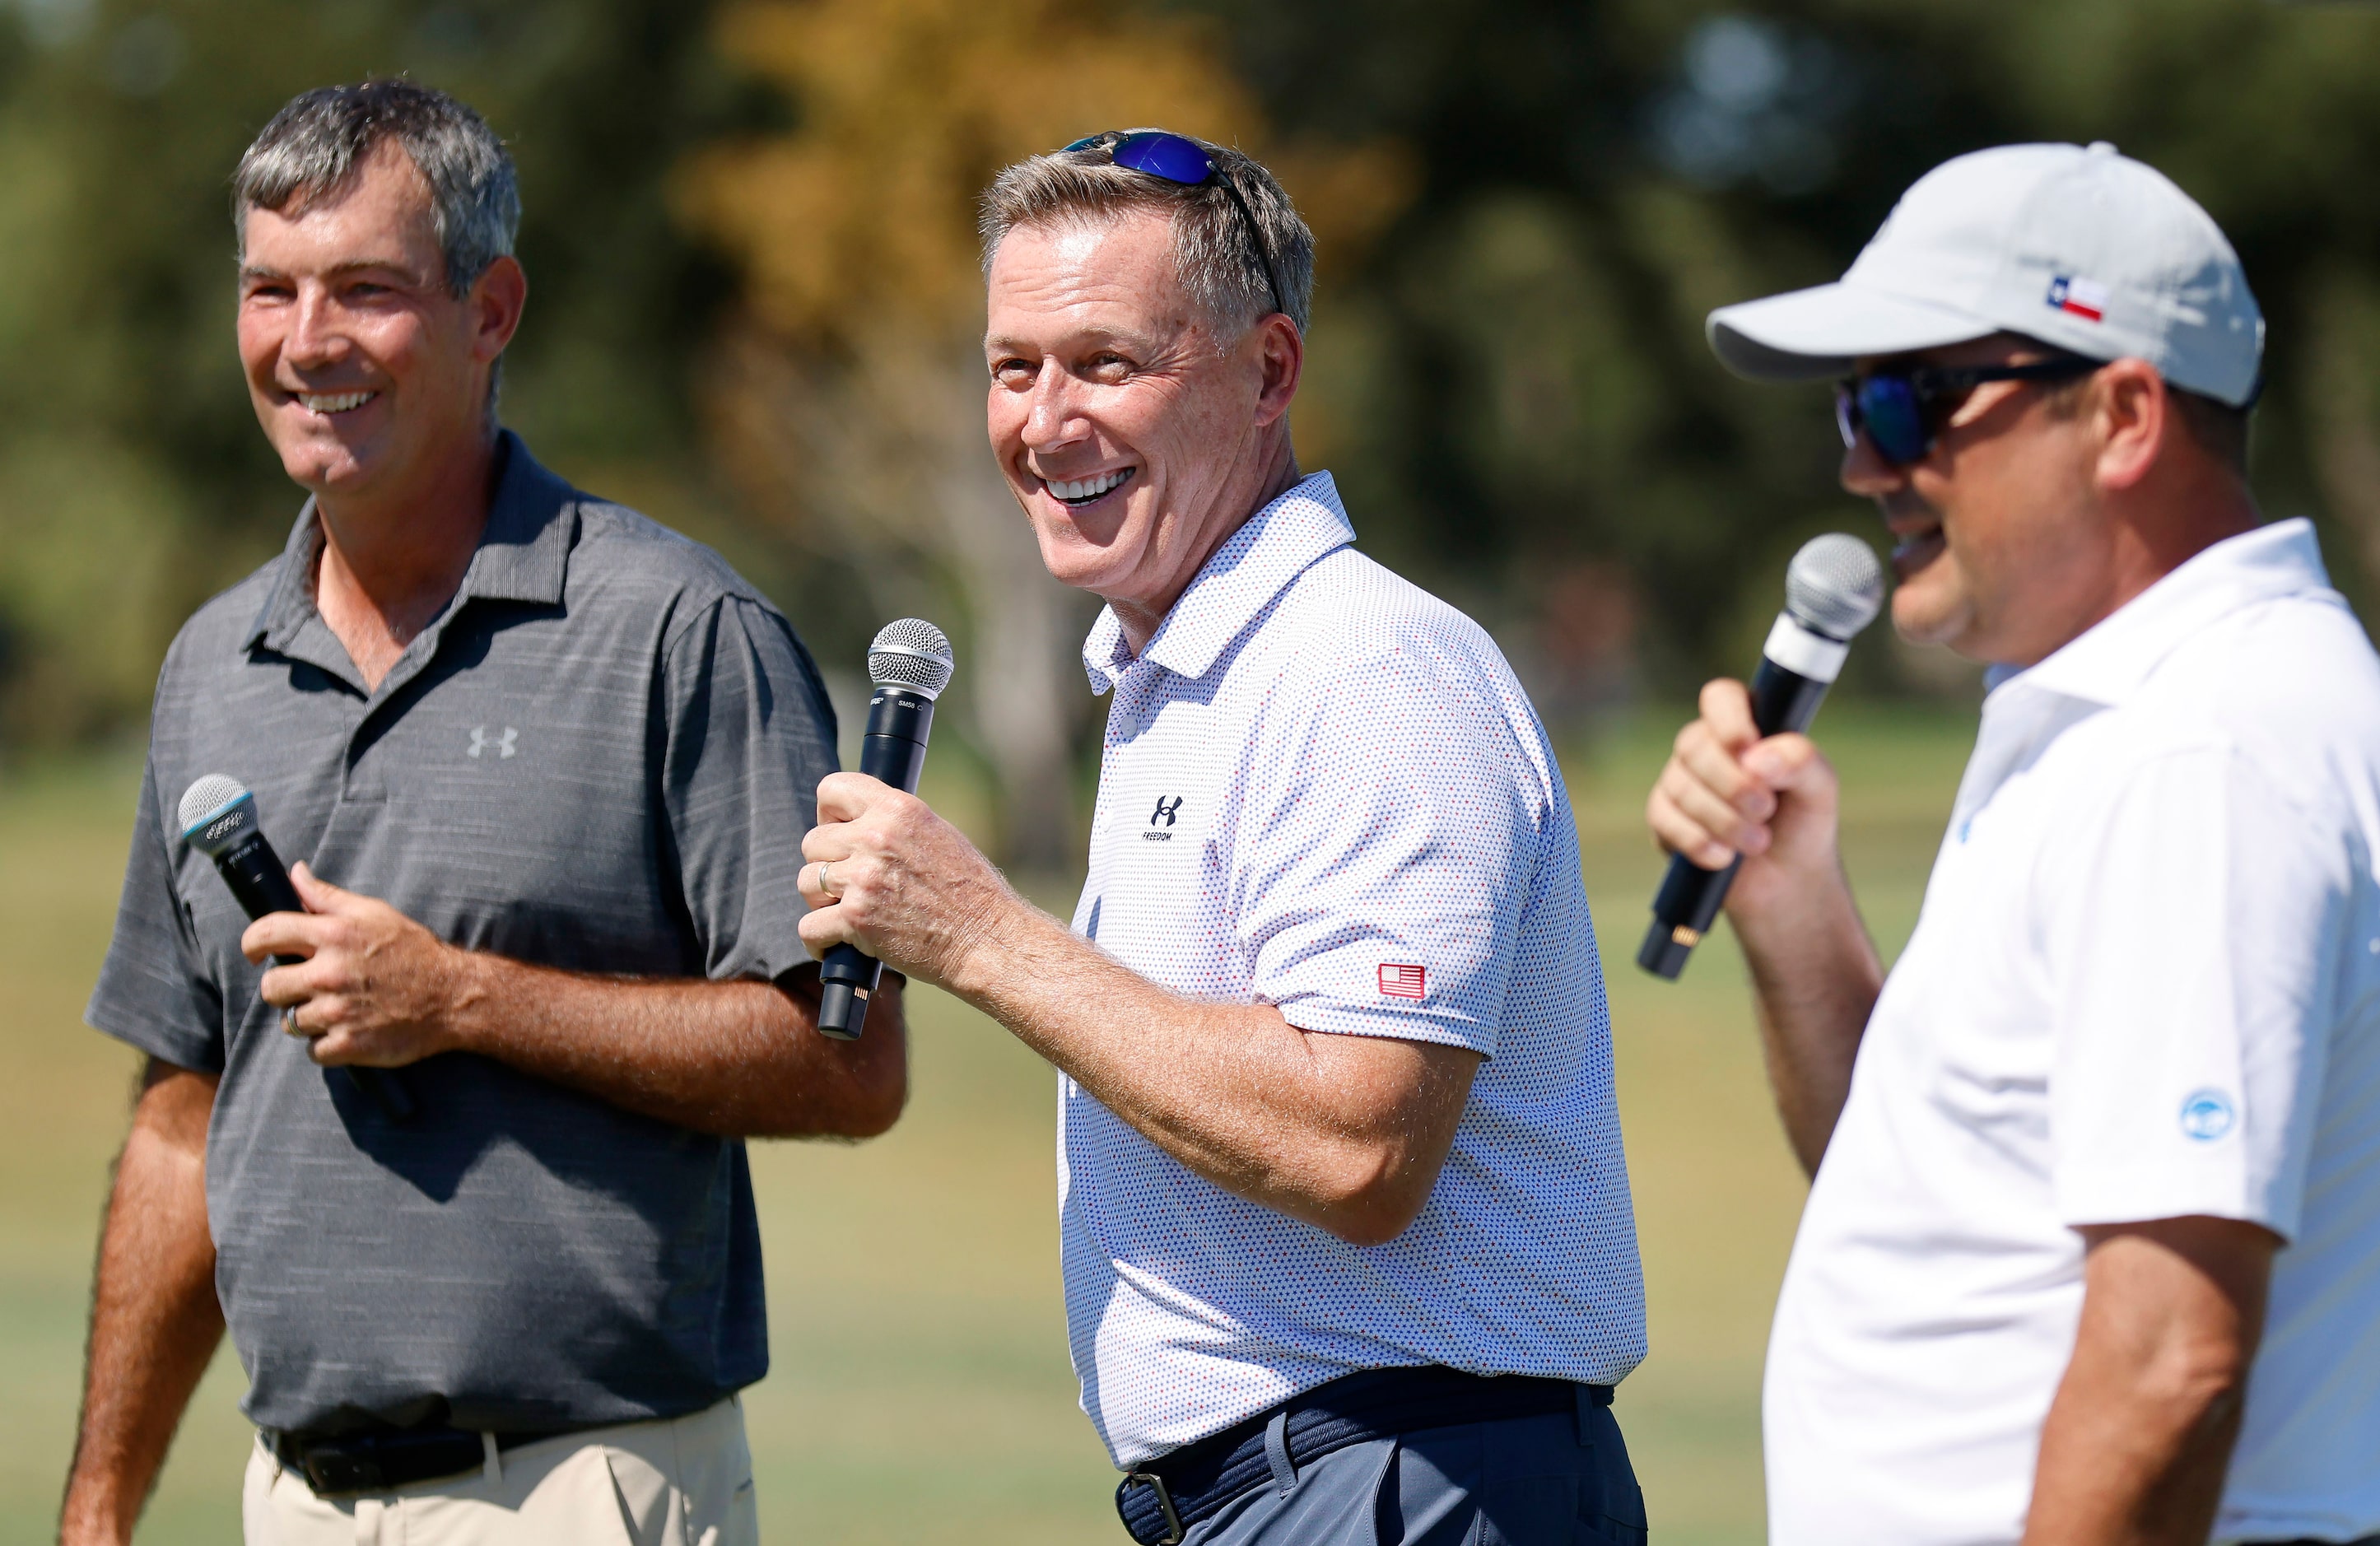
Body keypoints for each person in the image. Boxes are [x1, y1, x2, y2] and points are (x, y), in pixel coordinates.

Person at [60, 81, 905, 1546]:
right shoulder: (211, 665)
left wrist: (460, 996)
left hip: (580, 1491)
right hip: (294, 1503)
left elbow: (848, 1064)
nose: (306, 339)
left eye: (368, 291)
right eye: (271, 288)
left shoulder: (680, 630)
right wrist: (98, 1503)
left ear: (491, 308)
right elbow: (185, 1125)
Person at [794, 129, 1648, 1545]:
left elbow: (1360, 1145)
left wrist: (984, 937)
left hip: (1406, 1475)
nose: (1046, 421)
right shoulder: (1188, 670)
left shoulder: (1364, 667)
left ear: (1269, 373)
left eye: (1108, 363)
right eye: (1014, 367)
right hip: (1323, 1482)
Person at [1648, 141, 2380, 1545]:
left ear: (2121, 415)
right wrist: (1798, 919)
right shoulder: (2136, 717)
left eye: (1908, 401)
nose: (1866, 464)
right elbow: (1947, 1203)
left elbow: (2171, 1359)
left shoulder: (2197, 751)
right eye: (1853, 412)